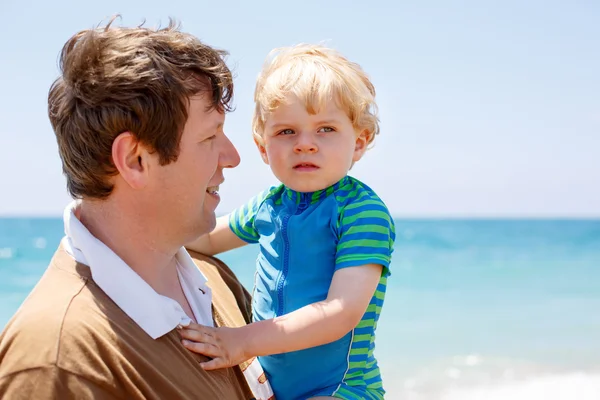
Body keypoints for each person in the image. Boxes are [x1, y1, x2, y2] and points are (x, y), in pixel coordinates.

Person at [0, 18, 274, 400]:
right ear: (135, 159)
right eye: (210, 136)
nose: (233, 157)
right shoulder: (59, 360)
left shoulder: (212, 279)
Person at [182, 44, 396, 400]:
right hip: (273, 389)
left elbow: (340, 313)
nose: (305, 145)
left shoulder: (361, 211)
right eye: (286, 132)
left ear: (358, 142)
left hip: (341, 389)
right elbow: (202, 239)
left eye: (325, 129)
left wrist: (241, 341)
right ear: (263, 147)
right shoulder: (268, 205)